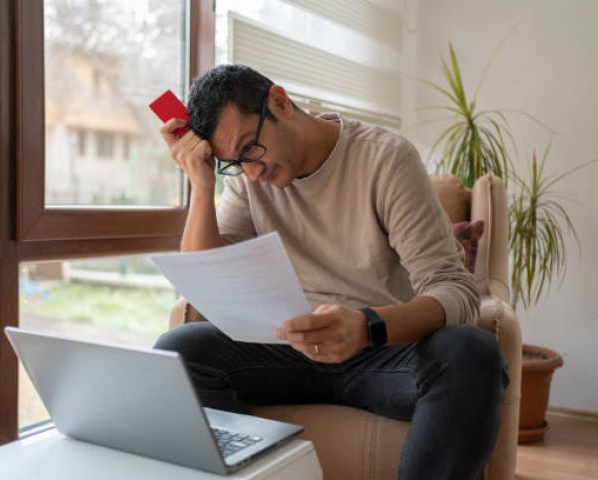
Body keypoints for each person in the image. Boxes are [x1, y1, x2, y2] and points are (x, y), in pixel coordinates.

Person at [154, 64, 507, 479]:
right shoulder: (247, 180)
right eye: (234, 163)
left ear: (280, 102)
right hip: (287, 350)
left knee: (471, 354)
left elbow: (456, 290)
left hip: (383, 353)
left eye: (251, 149)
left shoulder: (384, 158)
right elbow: (207, 278)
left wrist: (366, 326)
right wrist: (202, 182)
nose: (252, 172)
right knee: (178, 351)